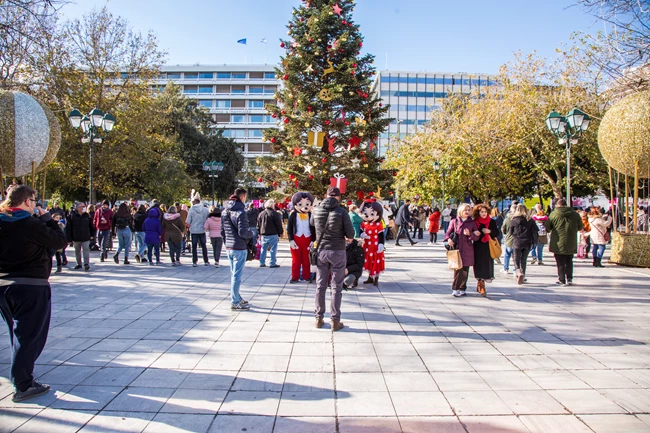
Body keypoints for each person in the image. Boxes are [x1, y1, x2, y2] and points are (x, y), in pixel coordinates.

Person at [0, 185, 67, 402]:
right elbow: (59, 242)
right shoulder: (30, 224)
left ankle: (22, 376)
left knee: (17, 334)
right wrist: (48, 218)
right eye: (34, 200)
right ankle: (23, 384)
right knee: (29, 337)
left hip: (4, 286)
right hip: (30, 285)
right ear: (27, 201)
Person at [310, 187, 355, 331]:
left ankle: (318, 318)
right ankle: (335, 320)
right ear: (339, 197)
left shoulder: (316, 210)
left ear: (326, 195)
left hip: (322, 251)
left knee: (320, 285)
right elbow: (350, 234)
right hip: (337, 251)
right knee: (336, 286)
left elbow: (312, 224)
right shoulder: (342, 212)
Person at [221, 188, 254, 310]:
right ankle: (235, 301)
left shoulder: (225, 211)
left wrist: (226, 243)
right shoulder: (241, 212)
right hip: (239, 247)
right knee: (237, 276)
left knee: (233, 274)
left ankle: (237, 296)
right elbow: (243, 232)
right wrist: (251, 234)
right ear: (243, 197)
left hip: (229, 246)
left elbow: (222, 231)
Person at [544, 199, 583, 286]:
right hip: (571, 240)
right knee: (569, 260)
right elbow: (580, 227)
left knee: (560, 261)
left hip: (557, 242)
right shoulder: (575, 214)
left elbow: (547, 227)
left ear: (557, 205)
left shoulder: (553, 214)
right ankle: (569, 278)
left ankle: (561, 279)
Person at [444, 203, 481, 297]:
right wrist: (448, 239)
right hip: (457, 249)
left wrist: (470, 235)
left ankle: (462, 288)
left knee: (465, 269)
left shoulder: (472, 223)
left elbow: (476, 237)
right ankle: (455, 288)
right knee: (458, 269)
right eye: (465, 210)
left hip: (468, 249)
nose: (467, 212)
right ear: (461, 211)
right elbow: (448, 233)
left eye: (469, 210)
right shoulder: (454, 221)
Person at [287, 192, 316, 283]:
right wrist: (291, 239)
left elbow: (314, 228)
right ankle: (295, 277)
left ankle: (306, 276)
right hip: (296, 239)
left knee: (307, 260)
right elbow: (289, 228)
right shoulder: (293, 215)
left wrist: (313, 240)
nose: (305, 207)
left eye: (307, 204)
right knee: (296, 260)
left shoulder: (311, 215)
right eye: (300, 204)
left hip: (307, 239)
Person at [472, 204, 499, 297]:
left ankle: (481, 283)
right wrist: (475, 233)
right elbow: (471, 233)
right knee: (478, 265)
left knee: (487, 266)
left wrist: (490, 232)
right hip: (478, 246)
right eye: (481, 212)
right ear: (478, 213)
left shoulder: (491, 222)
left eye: (485, 212)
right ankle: (481, 284)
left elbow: (497, 233)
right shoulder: (475, 222)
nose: (483, 214)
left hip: (488, 247)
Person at [509, 204, 538, 285]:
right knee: (523, 259)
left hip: (517, 241)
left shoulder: (514, 220)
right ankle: (523, 275)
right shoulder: (530, 220)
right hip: (527, 242)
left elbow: (510, 232)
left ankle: (518, 272)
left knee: (516, 258)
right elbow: (536, 229)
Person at [359, 200, 385, 286]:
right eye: (366, 214)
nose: (369, 216)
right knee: (368, 261)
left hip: (375, 246)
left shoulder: (378, 224)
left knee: (375, 261)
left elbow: (381, 235)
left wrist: (381, 244)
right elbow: (360, 232)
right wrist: (363, 235)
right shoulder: (364, 223)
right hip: (366, 246)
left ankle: (376, 278)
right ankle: (370, 277)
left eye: (372, 214)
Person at [66, 202, 94, 271]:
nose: (83, 207)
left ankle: (86, 264)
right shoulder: (72, 216)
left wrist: (92, 234)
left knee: (86, 251)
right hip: (76, 237)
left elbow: (91, 226)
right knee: (77, 251)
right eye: (82, 206)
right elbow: (68, 228)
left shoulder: (87, 215)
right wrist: (69, 239)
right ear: (78, 208)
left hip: (85, 237)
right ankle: (78, 264)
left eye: (84, 206)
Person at [257, 199, 283, 268]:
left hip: (263, 234)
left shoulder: (261, 214)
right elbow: (278, 224)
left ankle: (262, 262)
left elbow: (258, 224)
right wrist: (280, 232)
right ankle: (272, 263)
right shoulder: (275, 214)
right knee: (273, 249)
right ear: (272, 205)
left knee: (263, 249)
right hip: (273, 233)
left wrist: (258, 232)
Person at [186, 199, 210, 267]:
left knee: (194, 246)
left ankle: (194, 261)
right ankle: (206, 260)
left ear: (194, 202)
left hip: (194, 230)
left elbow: (188, 221)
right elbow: (208, 218)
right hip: (202, 229)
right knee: (203, 246)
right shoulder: (205, 209)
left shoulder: (191, 210)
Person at [500, 204, 517, 275]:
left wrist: (505, 233)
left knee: (507, 255)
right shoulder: (519, 219)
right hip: (517, 240)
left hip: (509, 240)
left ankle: (505, 268)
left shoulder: (507, 220)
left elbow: (503, 229)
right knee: (516, 256)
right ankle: (515, 269)